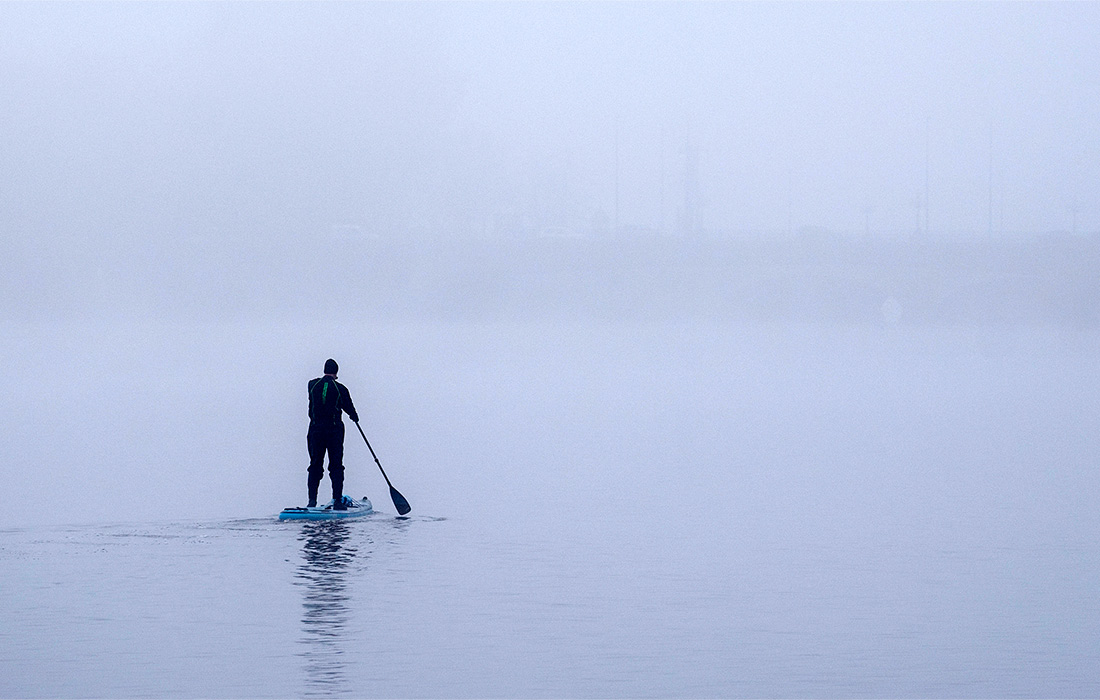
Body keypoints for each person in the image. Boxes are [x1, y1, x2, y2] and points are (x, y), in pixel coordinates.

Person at [306, 359, 359, 510]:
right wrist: (355, 416)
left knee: (315, 464)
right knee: (336, 466)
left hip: (315, 431)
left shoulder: (312, 385)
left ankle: (311, 501)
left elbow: (321, 390)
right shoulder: (340, 389)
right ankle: (337, 500)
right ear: (336, 372)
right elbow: (350, 409)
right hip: (334, 432)